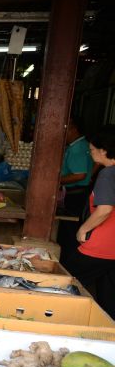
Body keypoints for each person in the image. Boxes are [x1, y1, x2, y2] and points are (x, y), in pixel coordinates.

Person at [63, 125, 115, 318]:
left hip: (100, 247)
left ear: (104, 150)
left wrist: (83, 229)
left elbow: (104, 210)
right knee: (109, 300)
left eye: (92, 148)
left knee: (64, 283)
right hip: (112, 250)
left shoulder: (108, 174)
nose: (89, 150)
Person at [59, 118, 94, 216]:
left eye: (66, 128)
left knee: (69, 224)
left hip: (75, 194)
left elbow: (80, 175)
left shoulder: (77, 148)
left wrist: (56, 181)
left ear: (74, 129)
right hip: (80, 193)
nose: (62, 131)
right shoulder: (83, 144)